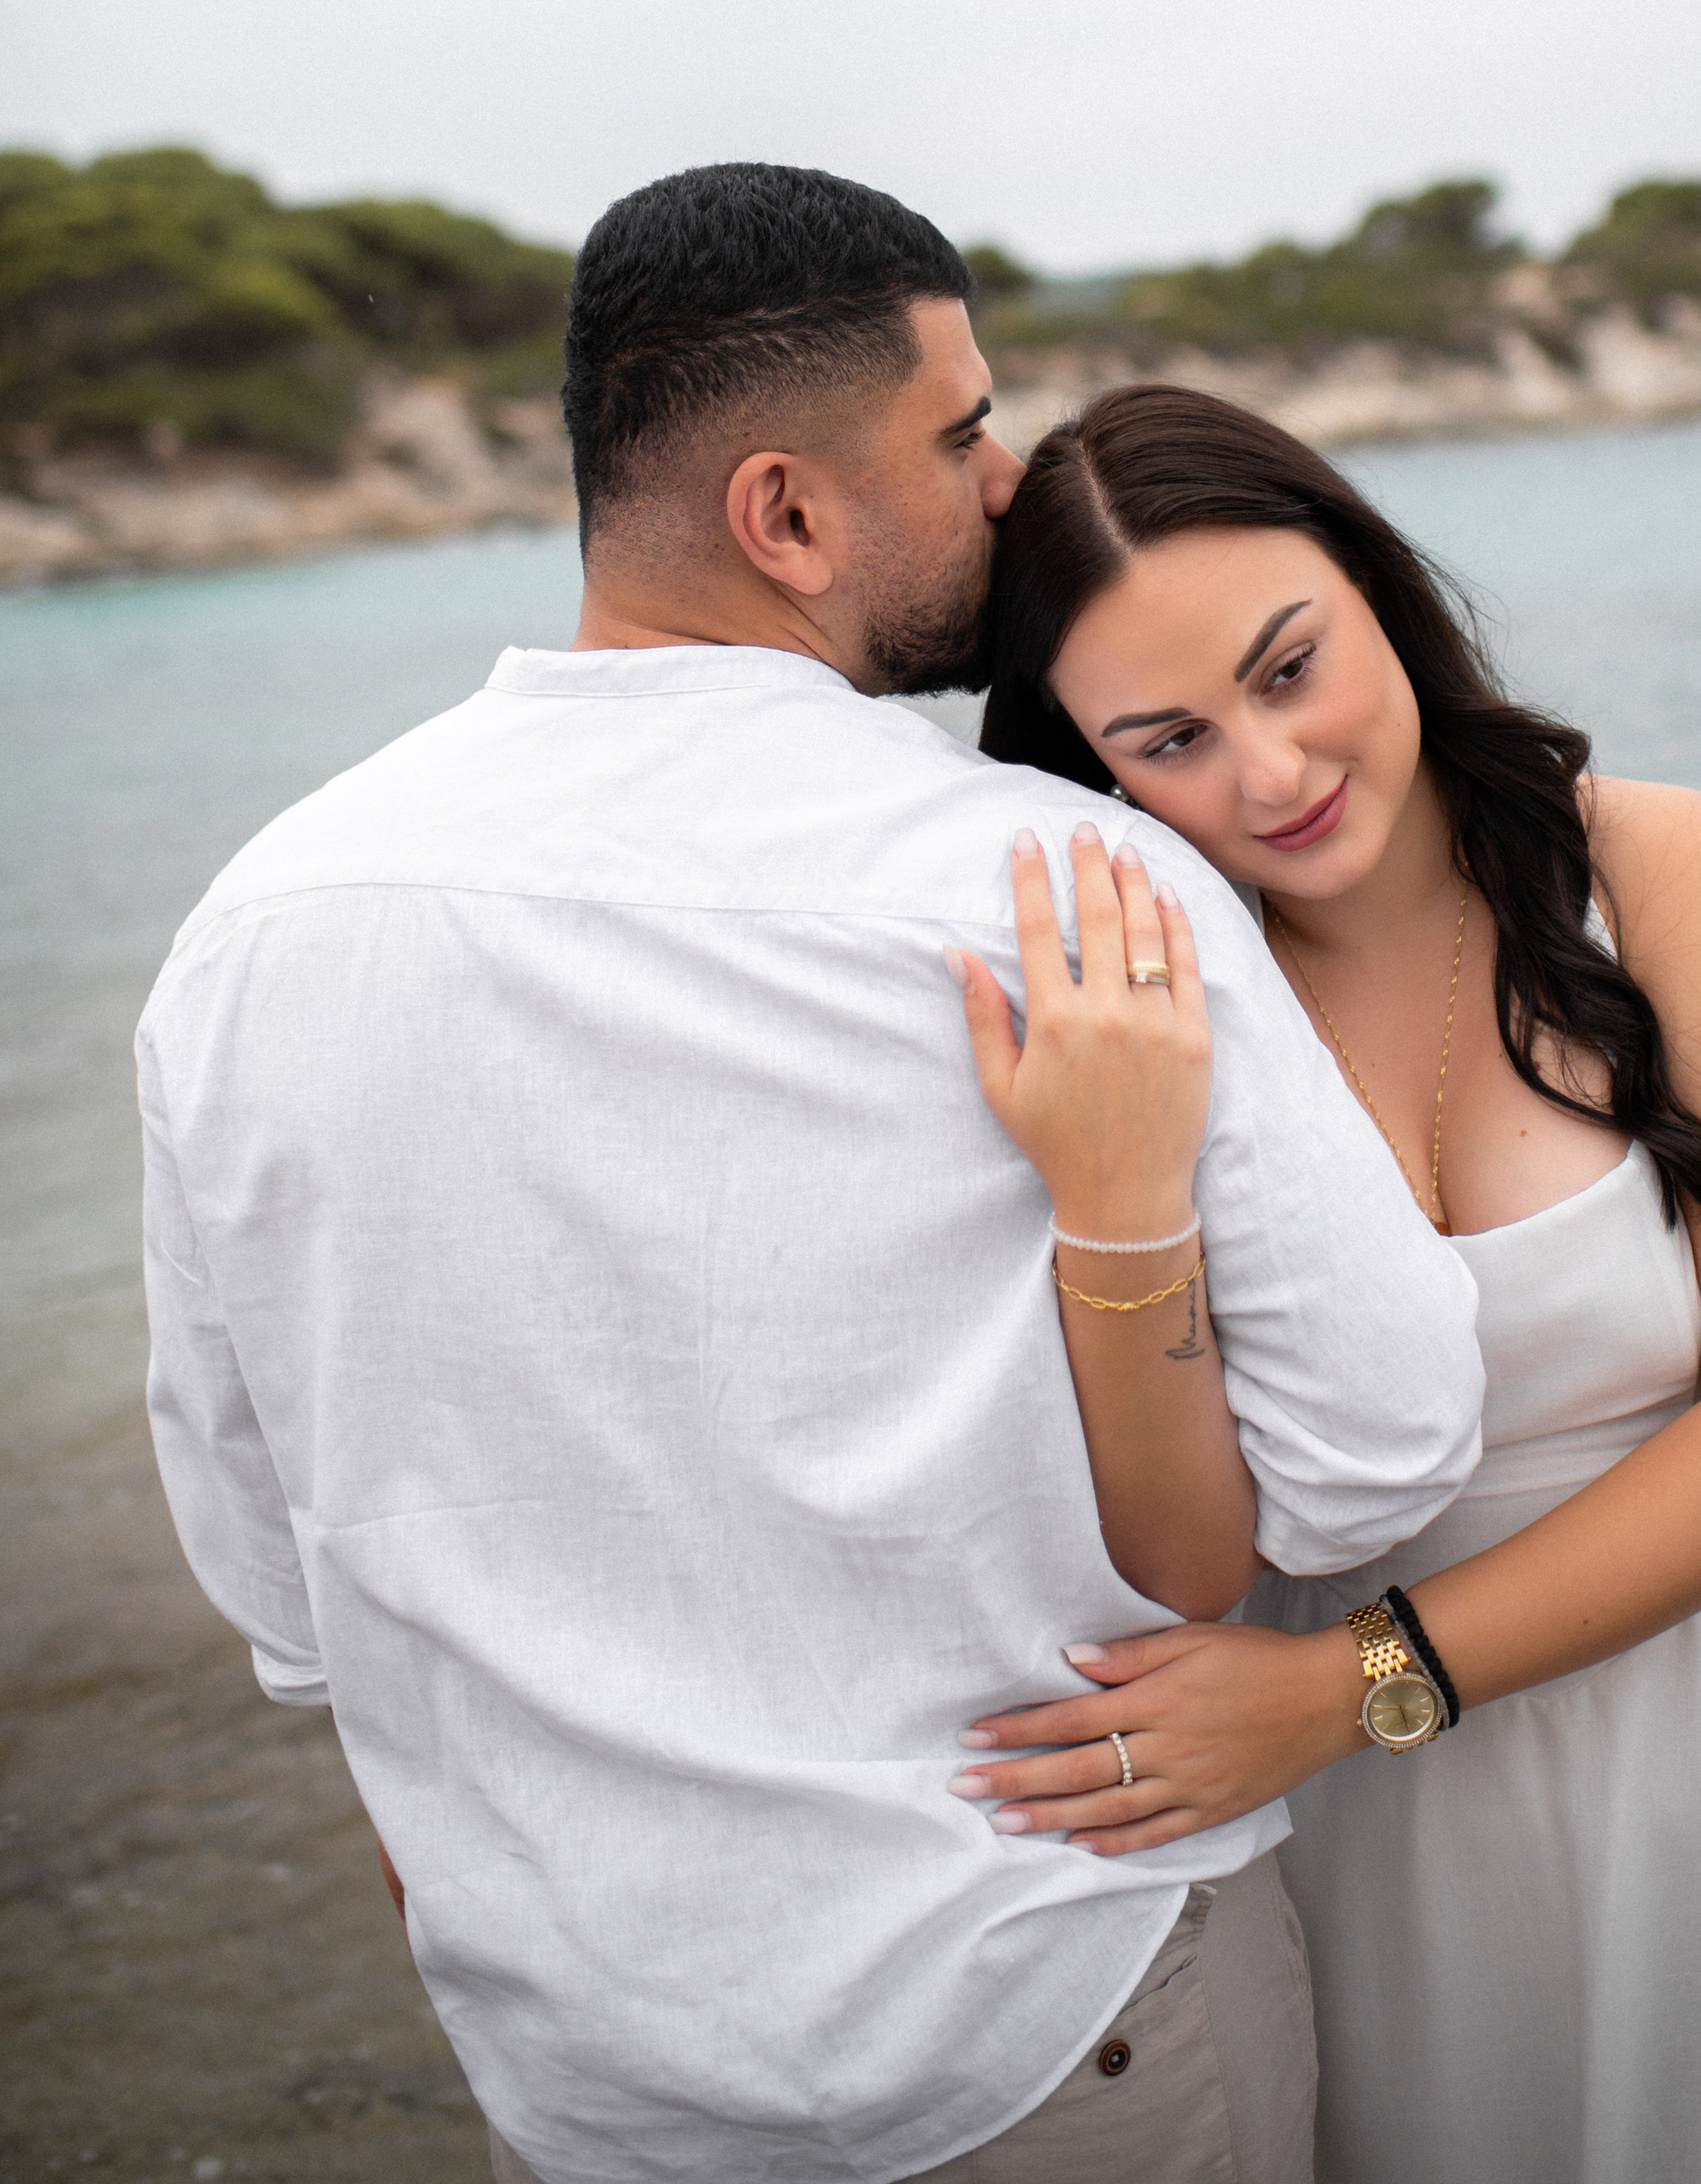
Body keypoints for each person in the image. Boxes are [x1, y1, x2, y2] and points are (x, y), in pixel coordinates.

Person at [138, 170, 1487, 2184]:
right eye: (955, 431)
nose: (1004, 472)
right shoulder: (1057, 890)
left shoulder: (251, 935)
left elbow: (275, 1575)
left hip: (584, 2075)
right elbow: (1387, 1443)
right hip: (1047, 2012)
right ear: (786, 513)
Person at [953, 383, 1701, 2184]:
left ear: (1379, 591)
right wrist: (1115, 1190)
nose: (1270, 773)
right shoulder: (1145, 1016)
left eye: (1290, 668)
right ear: (1090, 770)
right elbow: (1183, 1544)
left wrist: (1342, 1692)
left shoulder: (1666, 871)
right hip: (1385, 1838)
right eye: (1168, 739)